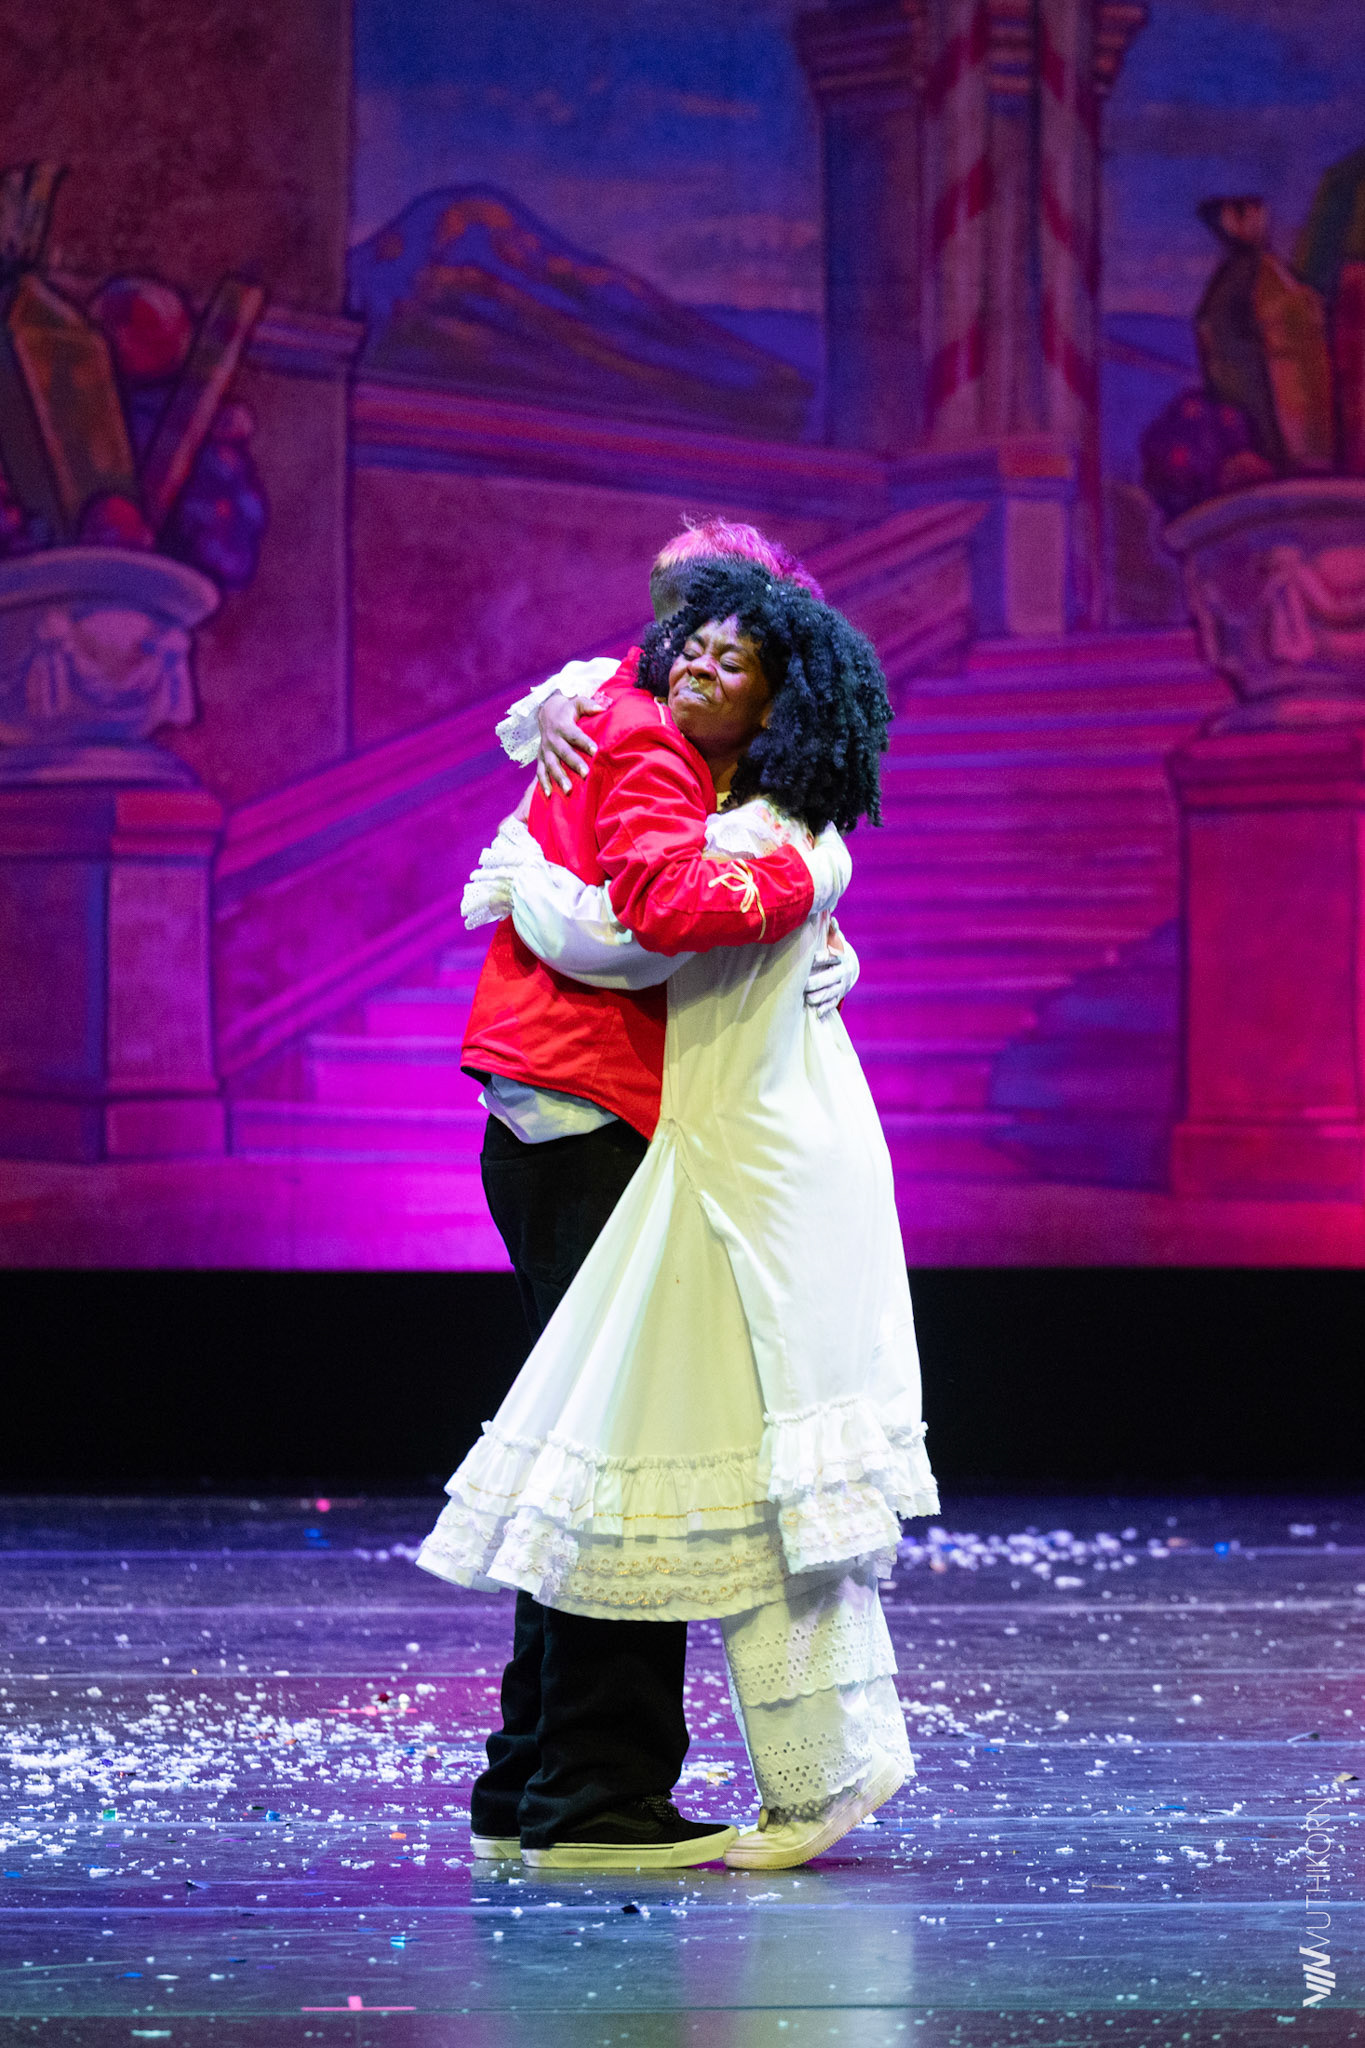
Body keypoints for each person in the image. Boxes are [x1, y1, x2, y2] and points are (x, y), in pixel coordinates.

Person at [420, 563, 939, 1871]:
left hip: (591, 1125)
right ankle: (587, 1798)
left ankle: (539, 1785)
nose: (698, 660)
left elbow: (663, 919)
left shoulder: (674, 753)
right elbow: (647, 925)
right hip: (592, 1123)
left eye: (732, 655)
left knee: (596, 1453)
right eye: (691, 638)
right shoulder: (650, 738)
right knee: (627, 1465)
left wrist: (807, 921)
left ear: (781, 703)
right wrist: (535, 883)